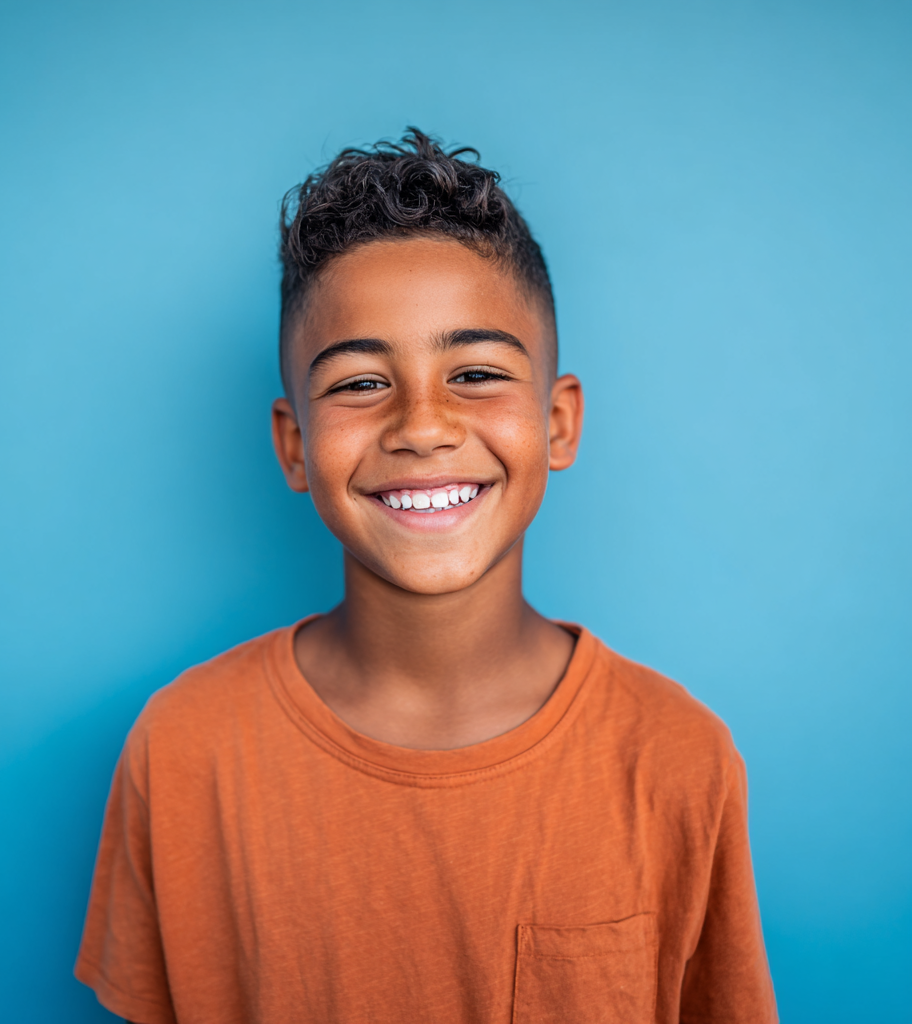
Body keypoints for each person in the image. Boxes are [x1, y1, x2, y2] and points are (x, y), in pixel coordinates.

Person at [75, 129, 777, 1024]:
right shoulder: (181, 754)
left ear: (557, 423)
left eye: (476, 373)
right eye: (361, 384)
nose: (422, 426)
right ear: (294, 446)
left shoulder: (678, 759)